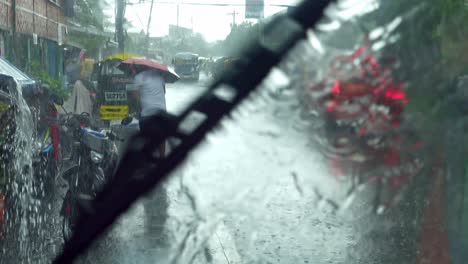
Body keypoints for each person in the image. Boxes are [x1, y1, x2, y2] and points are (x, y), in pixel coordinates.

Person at [133, 68, 167, 158]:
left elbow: (136, 97)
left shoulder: (138, 77)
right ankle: (162, 158)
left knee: (145, 136)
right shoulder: (160, 77)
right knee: (161, 136)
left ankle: (147, 157)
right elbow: (164, 92)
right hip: (161, 111)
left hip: (147, 112)